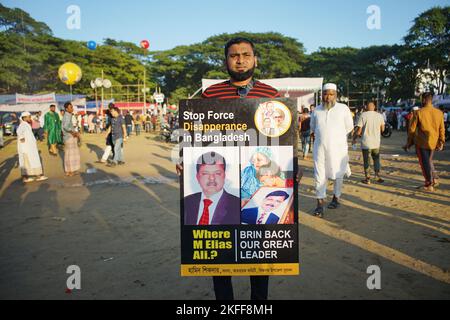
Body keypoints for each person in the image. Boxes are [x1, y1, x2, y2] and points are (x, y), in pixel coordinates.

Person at [176, 37, 280, 301]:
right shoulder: (210, 94)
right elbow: (195, 133)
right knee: (220, 257)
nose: (240, 59)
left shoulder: (271, 95)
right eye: (234, 55)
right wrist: (184, 159)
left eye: (246, 54)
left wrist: (292, 167)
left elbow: (282, 142)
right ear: (225, 61)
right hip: (223, 185)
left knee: (257, 256)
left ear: (255, 59)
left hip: (254, 192)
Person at [310, 83, 353, 218]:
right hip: (320, 149)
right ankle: (320, 204)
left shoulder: (343, 109)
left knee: (338, 174)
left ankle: (336, 198)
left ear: (336, 95)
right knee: (319, 175)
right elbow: (313, 128)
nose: (328, 97)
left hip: (338, 149)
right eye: (325, 94)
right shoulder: (316, 110)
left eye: (331, 94)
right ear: (322, 95)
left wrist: (335, 138)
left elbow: (349, 127)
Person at [184, 152, 240, 225]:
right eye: (205, 173)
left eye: (217, 173)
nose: (211, 178)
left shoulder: (237, 206)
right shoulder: (186, 202)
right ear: (197, 177)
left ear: (224, 176)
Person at [404, 92, 445, 191]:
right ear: (431, 100)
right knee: (429, 161)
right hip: (433, 141)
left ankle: (428, 184)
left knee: (424, 163)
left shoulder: (418, 112)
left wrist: (409, 143)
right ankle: (434, 180)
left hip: (421, 142)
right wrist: (441, 142)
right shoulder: (439, 113)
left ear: (423, 100)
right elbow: (442, 129)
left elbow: (412, 130)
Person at [352, 101, 385, 184]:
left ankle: (368, 178)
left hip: (366, 142)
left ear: (366, 107)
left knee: (367, 160)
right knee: (376, 159)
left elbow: (359, 131)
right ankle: (377, 176)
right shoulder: (379, 116)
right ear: (374, 107)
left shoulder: (363, 115)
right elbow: (383, 129)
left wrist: (354, 138)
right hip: (376, 142)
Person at [16, 112, 48, 183]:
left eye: (30, 117)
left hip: (29, 147)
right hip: (26, 148)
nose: (30, 118)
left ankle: (29, 177)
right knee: (29, 161)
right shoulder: (23, 124)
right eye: (29, 117)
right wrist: (21, 138)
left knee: (30, 161)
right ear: (24, 118)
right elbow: (18, 131)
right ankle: (37, 176)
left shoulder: (26, 124)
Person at [62, 102, 81, 177]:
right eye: (70, 107)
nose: (72, 109)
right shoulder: (67, 115)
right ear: (66, 109)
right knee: (70, 154)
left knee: (70, 154)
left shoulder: (68, 115)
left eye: (72, 107)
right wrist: (73, 133)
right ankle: (69, 171)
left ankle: (70, 170)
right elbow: (66, 127)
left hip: (69, 136)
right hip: (69, 137)